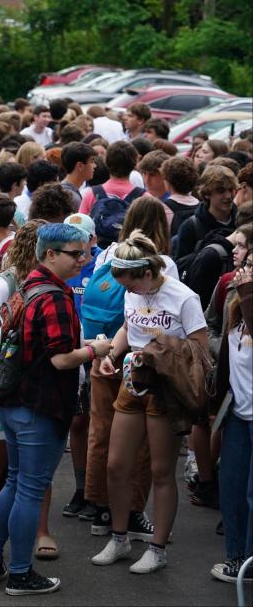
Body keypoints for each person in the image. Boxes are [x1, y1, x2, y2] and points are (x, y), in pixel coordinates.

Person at [0, 223, 112, 595]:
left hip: (13, 402)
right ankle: (19, 573)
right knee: (30, 490)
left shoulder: (29, 285)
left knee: (17, 481)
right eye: (75, 253)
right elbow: (61, 360)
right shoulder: (53, 296)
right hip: (39, 406)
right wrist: (96, 350)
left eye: (84, 252)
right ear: (50, 254)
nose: (83, 260)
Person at [90, 231, 208, 574]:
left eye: (129, 282)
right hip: (131, 383)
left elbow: (200, 351)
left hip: (166, 389)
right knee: (116, 466)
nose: (125, 290)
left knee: (160, 471)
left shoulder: (183, 297)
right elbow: (130, 325)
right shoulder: (133, 292)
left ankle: (157, 548)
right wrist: (113, 352)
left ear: (147, 273)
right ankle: (120, 536)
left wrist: (161, 350)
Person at [209, 265, 252, 583]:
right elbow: (223, 360)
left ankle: (250, 562)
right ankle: (237, 557)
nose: (243, 273)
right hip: (237, 414)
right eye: (246, 265)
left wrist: (246, 292)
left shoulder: (246, 307)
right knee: (233, 488)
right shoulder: (234, 311)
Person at [174, 164, 238, 261]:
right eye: (220, 190)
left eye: (231, 189)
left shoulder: (243, 220)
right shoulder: (191, 226)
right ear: (207, 193)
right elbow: (181, 266)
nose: (228, 196)